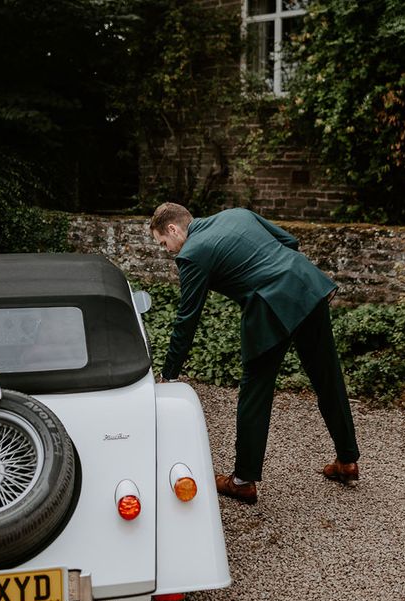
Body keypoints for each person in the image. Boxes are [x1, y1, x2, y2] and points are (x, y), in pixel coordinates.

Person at [149, 203, 360, 505]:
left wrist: (169, 373)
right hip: (306, 285)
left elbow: (188, 317)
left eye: (163, 243)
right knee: (327, 376)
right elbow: (290, 242)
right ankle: (347, 461)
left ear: (173, 229)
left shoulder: (192, 253)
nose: (167, 250)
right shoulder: (237, 214)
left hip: (268, 306)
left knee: (255, 391)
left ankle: (243, 481)